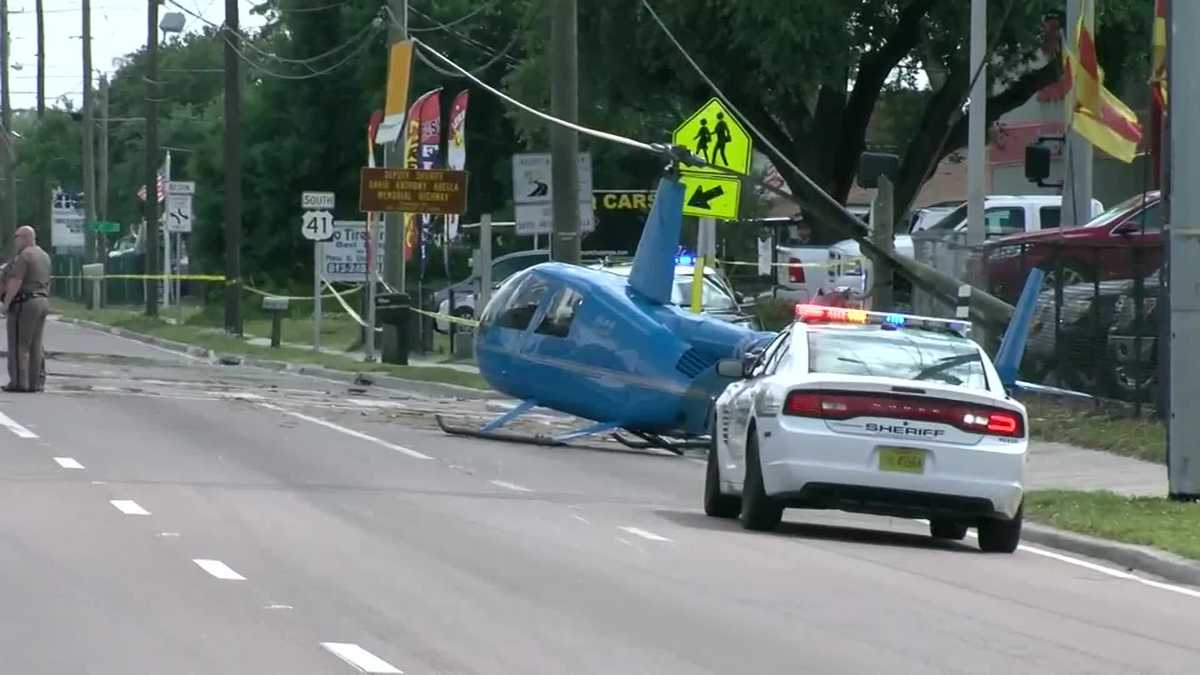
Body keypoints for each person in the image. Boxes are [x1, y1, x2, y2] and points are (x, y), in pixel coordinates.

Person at [2, 226, 51, 393]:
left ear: (24, 237)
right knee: (36, 345)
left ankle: (18, 382)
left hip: (25, 303)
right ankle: (36, 382)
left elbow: (15, 280)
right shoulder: (44, 255)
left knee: (19, 344)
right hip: (42, 301)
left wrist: (6, 303)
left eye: (16, 237)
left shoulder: (24, 255)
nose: (15, 241)